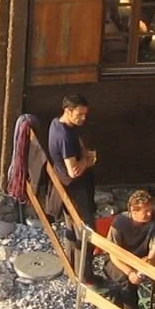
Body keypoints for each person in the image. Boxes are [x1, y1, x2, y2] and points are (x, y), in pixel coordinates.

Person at [99, 190, 155, 309]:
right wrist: (130, 272)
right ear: (133, 211)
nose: (149, 213)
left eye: (150, 209)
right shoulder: (119, 223)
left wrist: (149, 260)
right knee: (124, 287)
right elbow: (113, 253)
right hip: (116, 261)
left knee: (126, 288)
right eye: (145, 211)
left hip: (140, 261)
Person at [47, 94, 97, 235]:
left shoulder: (57, 123)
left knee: (72, 223)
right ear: (68, 111)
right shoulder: (64, 137)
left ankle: (73, 254)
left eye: (85, 114)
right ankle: (85, 256)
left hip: (64, 179)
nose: (83, 118)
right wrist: (88, 161)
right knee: (86, 226)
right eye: (79, 114)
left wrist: (83, 152)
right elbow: (73, 171)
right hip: (74, 186)